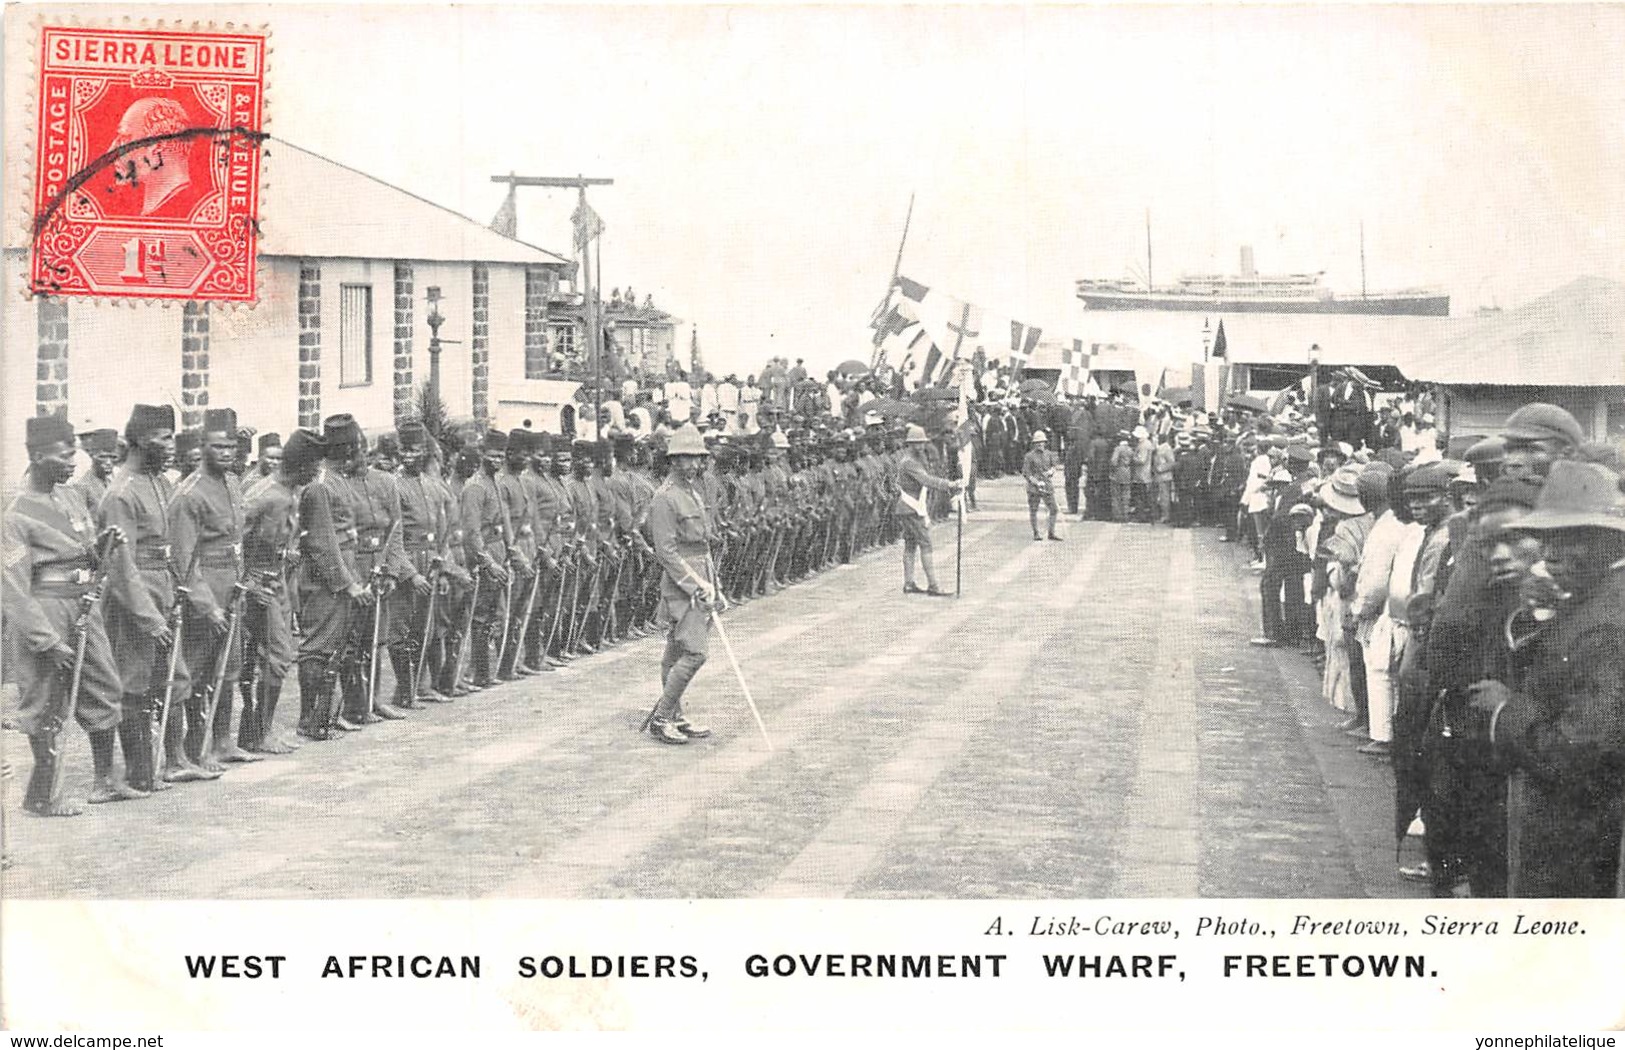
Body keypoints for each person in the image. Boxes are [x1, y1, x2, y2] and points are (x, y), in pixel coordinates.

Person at [1468, 460, 1625, 897]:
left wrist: (1505, 708)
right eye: (1549, 537)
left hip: (1577, 839)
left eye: (1571, 538)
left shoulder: (1608, 623)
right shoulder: (1594, 600)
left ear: (1611, 539)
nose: (1551, 553)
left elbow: (1578, 751)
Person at [4, 415, 136, 813]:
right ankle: (44, 796)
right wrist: (46, 640)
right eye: (63, 455)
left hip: (83, 606)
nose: (72, 461)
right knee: (44, 702)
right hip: (45, 611)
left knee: (103, 686)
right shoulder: (15, 513)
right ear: (38, 456)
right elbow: (12, 586)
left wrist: (104, 544)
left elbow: (83, 553)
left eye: (72, 453)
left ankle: (104, 781)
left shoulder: (71, 497)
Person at [100, 404, 189, 789]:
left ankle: (175, 760)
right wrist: (148, 616)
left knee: (172, 676)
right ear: (138, 440)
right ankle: (140, 772)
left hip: (165, 590)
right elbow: (120, 565)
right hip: (135, 601)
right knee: (135, 683)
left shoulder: (161, 482)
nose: (171, 445)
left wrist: (178, 589)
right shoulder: (120, 493)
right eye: (163, 438)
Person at [169, 408, 258, 772]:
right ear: (203, 446)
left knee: (229, 668)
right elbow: (183, 560)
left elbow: (239, 541)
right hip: (204, 596)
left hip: (232, 590)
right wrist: (208, 606)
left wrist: (243, 584)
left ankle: (222, 741)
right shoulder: (188, 494)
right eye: (218, 446)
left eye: (231, 447)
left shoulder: (233, 484)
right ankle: (193, 748)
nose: (226, 453)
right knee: (197, 673)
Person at [238, 427, 321, 755]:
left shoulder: (292, 493)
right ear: (300, 465)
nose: (316, 474)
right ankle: (258, 732)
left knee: (279, 656)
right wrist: (248, 584)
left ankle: (261, 729)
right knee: (275, 658)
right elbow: (236, 543)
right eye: (313, 468)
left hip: (281, 581)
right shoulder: (262, 496)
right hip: (259, 585)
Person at [644, 424, 719, 745]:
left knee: (675, 651)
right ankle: (661, 719)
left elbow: (702, 545)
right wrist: (695, 584)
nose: (692, 464)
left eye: (697, 458)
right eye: (685, 458)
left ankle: (673, 714)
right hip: (681, 583)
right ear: (672, 460)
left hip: (701, 575)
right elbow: (667, 552)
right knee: (695, 652)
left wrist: (712, 582)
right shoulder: (665, 498)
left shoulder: (693, 491)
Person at [892, 424, 964, 597]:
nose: (921, 446)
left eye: (922, 443)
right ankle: (933, 584)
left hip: (909, 506)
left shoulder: (915, 459)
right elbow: (926, 480)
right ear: (910, 444)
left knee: (910, 545)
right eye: (917, 443)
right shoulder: (909, 462)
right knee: (925, 544)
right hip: (911, 507)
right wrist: (949, 484)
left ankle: (909, 583)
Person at [1022, 431, 1061, 541]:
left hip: (1047, 485)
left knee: (1053, 509)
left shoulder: (1049, 454)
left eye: (1042, 442)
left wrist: (1051, 471)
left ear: (1045, 442)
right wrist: (1036, 482)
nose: (1040, 444)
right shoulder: (1029, 456)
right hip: (1034, 487)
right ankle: (1036, 533)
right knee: (1034, 510)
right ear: (1034, 444)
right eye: (1037, 442)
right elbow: (1026, 473)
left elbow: (1054, 466)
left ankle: (1051, 532)